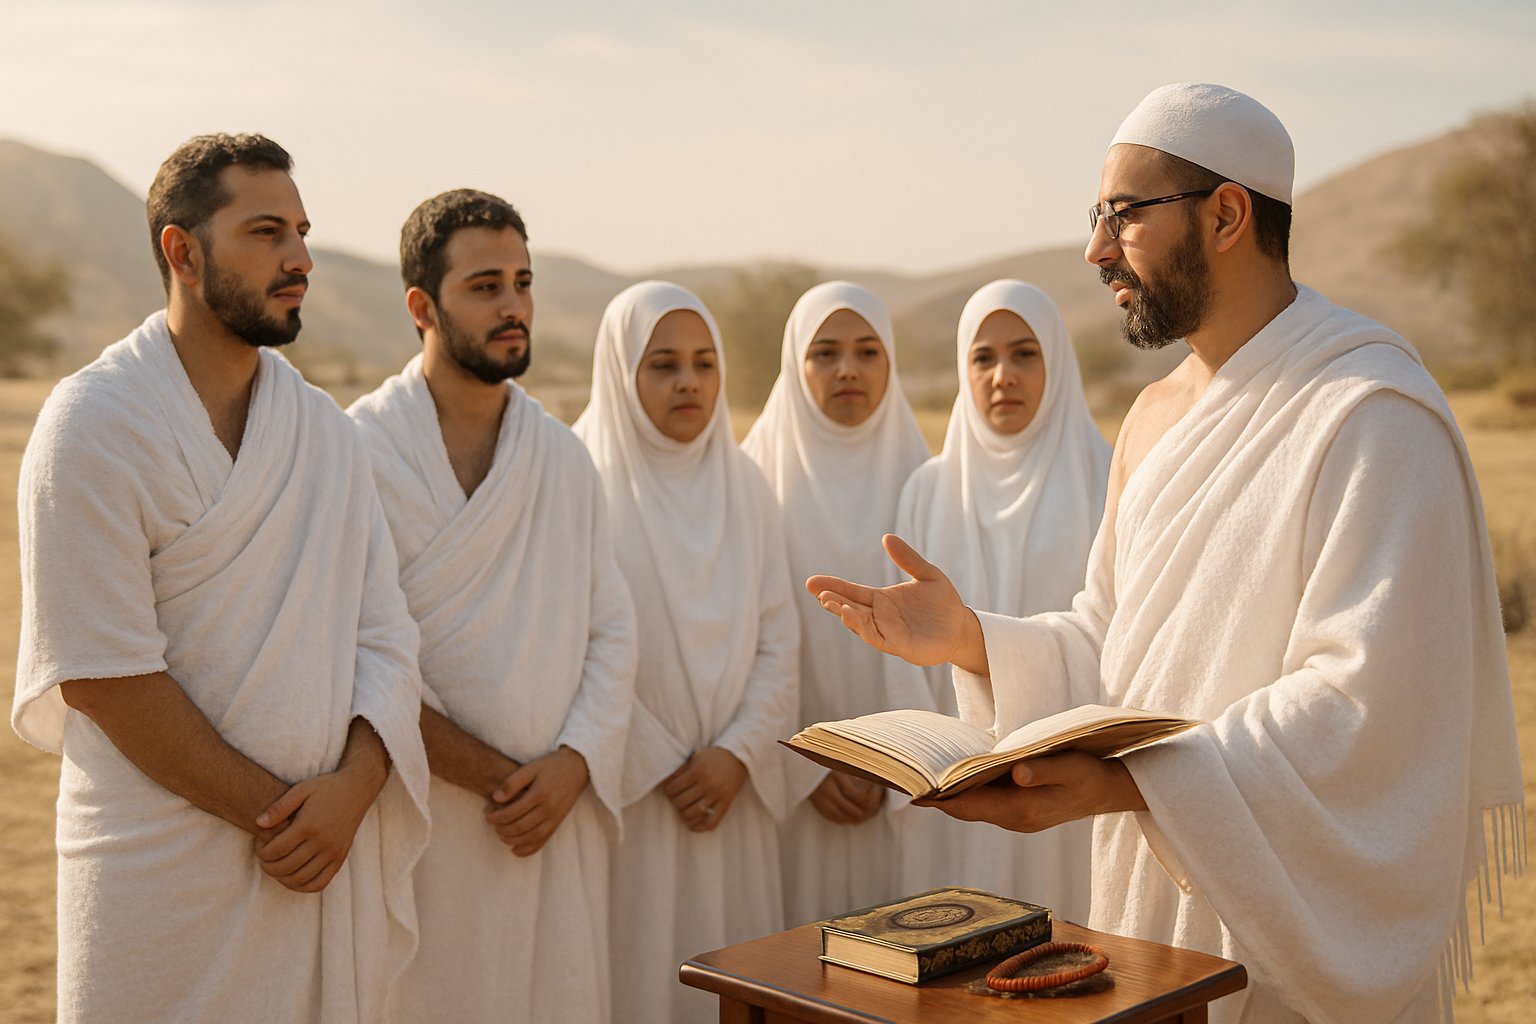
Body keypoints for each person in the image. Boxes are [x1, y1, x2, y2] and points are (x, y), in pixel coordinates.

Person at [808, 83, 1522, 1023]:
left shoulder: (1369, 412)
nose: (1097, 249)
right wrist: (976, 641)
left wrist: (1125, 780)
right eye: (1094, 218)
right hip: (1153, 908)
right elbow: (1116, 636)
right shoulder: (1154, 416)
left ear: (1227, 214)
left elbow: (1366, 702)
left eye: (1123, 215)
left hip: (1290, 918)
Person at [12, 134, 430, 1023]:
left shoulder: (324, 433)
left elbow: (385, 635)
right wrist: (286, 818)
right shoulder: (94, 425)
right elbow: (101, 672)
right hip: (160, 871)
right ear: (182, 251)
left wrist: (352, 793)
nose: (300, 259)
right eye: (267, 232)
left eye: (304, 233)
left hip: (319, 862)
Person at [348, 189, 636, 1024]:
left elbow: (611, 628)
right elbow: (355, 649)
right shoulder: (358, 451)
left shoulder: (562, 455)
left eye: (522, 282)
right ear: (422, 306)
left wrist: (576, 761)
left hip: (555, 817)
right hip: (421, 814)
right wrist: (495, 779)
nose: (513, 306)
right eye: (485, 287)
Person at [574, 281, 800, 1024]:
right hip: (633, 801)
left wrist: (736, 754)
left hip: (733, 799)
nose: (688, 383)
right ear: (621, 374)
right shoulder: (580, 483)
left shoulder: (747, 487)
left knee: (735, 978)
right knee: (637, 981)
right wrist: (662, 762)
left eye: (705, 363)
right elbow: (573, 645)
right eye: (663, 365)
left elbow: (778, 638)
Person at [889, 280, 1109, 919]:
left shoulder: (1107, 477)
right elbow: (903, 648)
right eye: (983, 358)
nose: (1002, 376)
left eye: (1024, 355)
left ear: (1057, 363)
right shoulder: (929, 490)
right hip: (952, 784)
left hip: (1069, 785)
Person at [741, 280, 930, 924]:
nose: (847, 369)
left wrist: (900, 765)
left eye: (867, 351)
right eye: (824, 353)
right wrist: (805, 767)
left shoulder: (930, 481)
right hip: (786, 783)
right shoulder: (751, 481)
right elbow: (743, 645)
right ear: (795, 366)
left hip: (909, 782)